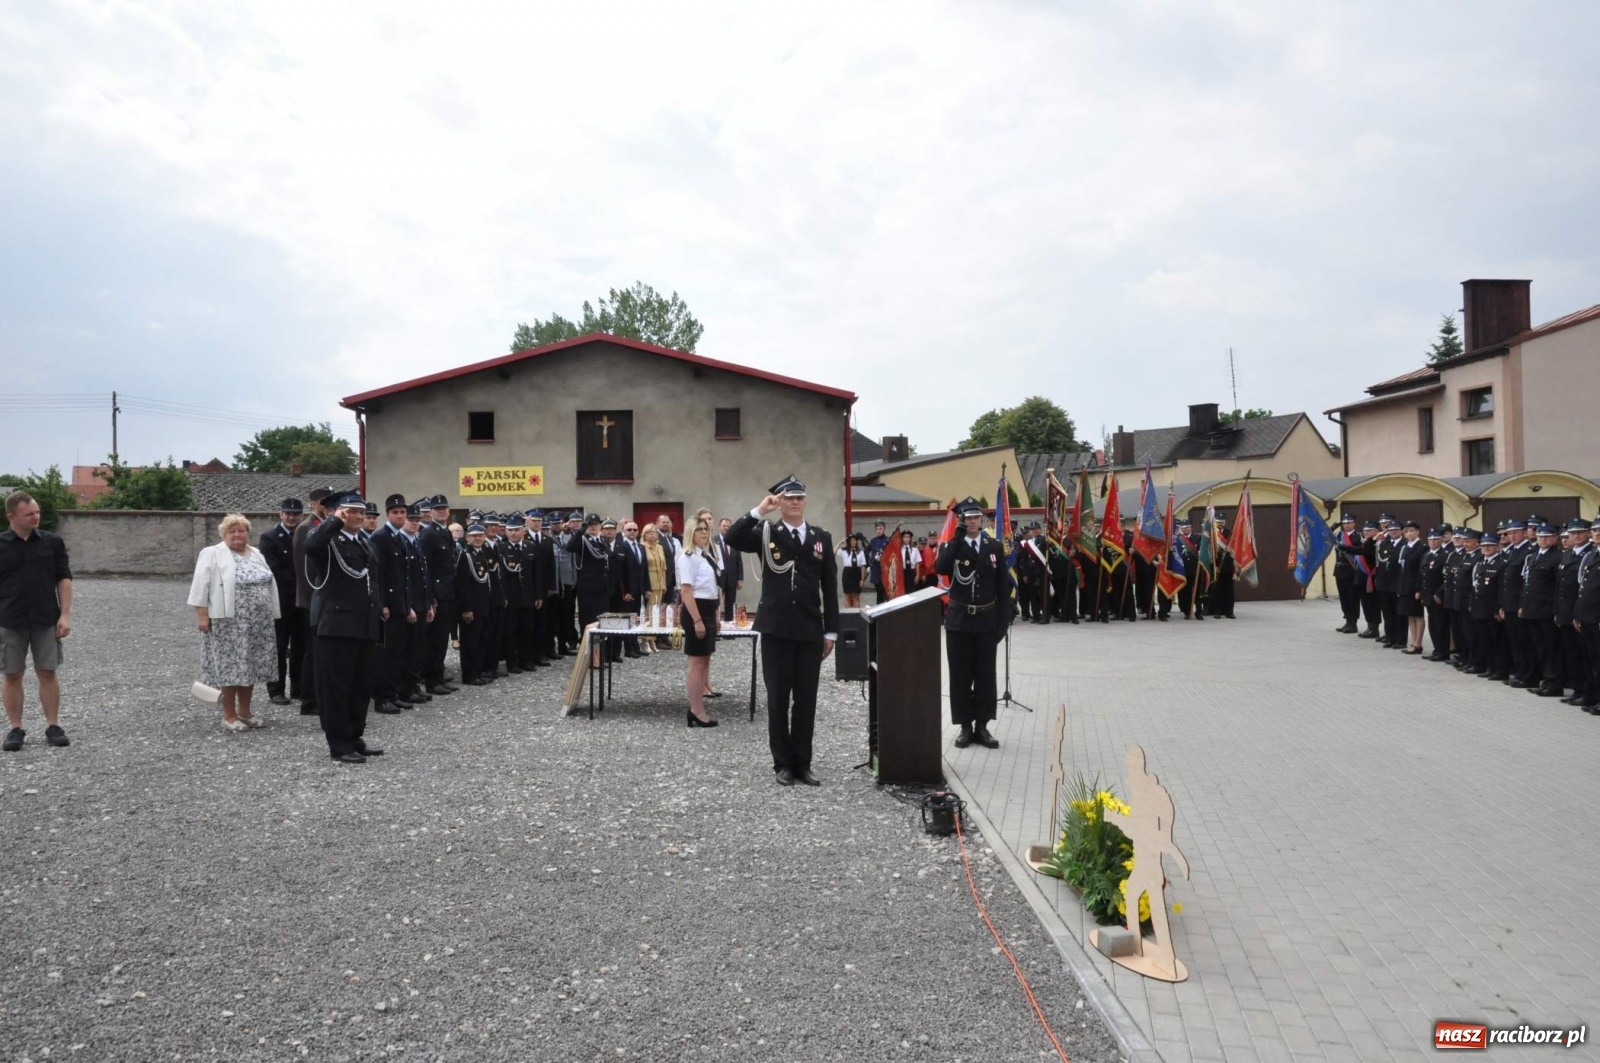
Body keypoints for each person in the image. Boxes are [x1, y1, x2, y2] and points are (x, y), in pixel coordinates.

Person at [725, 475, 839, 787]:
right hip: (776, 629)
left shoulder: (820, 537)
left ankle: (803, 763)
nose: (794, 502)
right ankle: (783, 764)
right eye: (788, 498)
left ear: (805, 501)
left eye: (799, 497)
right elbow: (732, 537)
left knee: (806, 700)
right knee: (777, 699)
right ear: (778, 501)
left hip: (809, 629)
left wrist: (831, 632)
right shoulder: (765, 533)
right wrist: (759, 510)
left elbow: (829, 586)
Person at [304, 491, 384, 764]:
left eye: (360, 512)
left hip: (364, 625)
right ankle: (338, 744)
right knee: (336, 687)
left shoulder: (364, 542)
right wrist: (334, 521)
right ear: (336, 513)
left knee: (360, 686)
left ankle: (354, 736)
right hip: (336, 625)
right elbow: (311, 546)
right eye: (350, 511)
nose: (358, 516)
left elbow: (373, 581)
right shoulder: (329, 540)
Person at [187, 513, 280, 731]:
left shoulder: (256, 553)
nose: (237, 534)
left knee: (251, 666)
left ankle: (245, 711)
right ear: (223, 534)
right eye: (232, 531)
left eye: (241, 530)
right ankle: (229, 715)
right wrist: (202, 616)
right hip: (228, 623)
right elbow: (200, 586)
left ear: (248, 533)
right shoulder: (212, 554)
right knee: (230, 668)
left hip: (258, 622)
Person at [1, 491, 74, 752]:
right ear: (11, 516)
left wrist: (65, 615)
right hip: (10, 621)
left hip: (46, 620)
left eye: (38, 512)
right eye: (29, 513)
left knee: (47, 672)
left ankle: (53, 725)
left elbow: (63, 579)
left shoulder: (52, 543)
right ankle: (15, 728)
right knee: (12, 675)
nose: (36, 517)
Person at [936, 498, 1009, 750]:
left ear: (982, 520)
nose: (972, 522)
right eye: (967, 518)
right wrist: (956, 539)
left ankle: (982, 726)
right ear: (961, 520)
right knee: (961, 676)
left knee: (986, 675)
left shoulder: (994, 546)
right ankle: (965, 727)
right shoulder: (952, 544)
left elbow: (1002, 584)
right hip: (960, 621)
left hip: (986, 619)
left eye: (976, 517)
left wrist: (1004, 620)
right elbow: (941, 567)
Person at [291, 486, 333, 716]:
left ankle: (319, 694)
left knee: (322, 651)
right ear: (313, 504)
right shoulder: (307, 528)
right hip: (313, 598)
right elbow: (304, 570)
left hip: (326, 599)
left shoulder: (325, 527)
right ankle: (308, 699)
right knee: (311, 651)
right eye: (323, 502)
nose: (327, 506)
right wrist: (311, 600)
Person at [678, 519, 723, 728]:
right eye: (699, 529)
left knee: (704, 660)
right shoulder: (688, 558)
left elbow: (712, 587)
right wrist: (697, 620)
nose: (704, 533)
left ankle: (698, 706)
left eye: (706, 529)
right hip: (696, 610)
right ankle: (696, 710)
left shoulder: (704, 556)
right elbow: (686, 591)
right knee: (696, 663)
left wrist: (714, 614)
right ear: (690, 532)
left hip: (707, 609)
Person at [259, 498, 304, 706]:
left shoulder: (305, 536)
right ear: (280, 514)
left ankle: (298, 688)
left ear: (301, 515)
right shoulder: (269, 538)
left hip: (302, 601)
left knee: (300, 647)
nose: (291, 517)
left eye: (295, 514)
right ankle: (276, 690)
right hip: (281, 600)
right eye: (288, 513)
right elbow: (274, 570)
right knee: (278, 646)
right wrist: (301, 584)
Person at [1396, 520, 1426, 653]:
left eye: (1412, 530)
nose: (1409, 533)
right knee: (1410, 615)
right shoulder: (1405, 547)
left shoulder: (1422, 547)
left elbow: (1421, 570)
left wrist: (1419, 589)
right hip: (1404, 587)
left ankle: (1418, 643)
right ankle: (1413, 642)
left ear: (1418, 532)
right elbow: (1401, 568)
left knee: (1418, 615)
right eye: (1407, 531)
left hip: (1414, 587)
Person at [640, 524, 669, 654]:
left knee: (656, 613)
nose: (652, 534)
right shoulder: (642, 547)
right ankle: (645, 639)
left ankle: (653, 638)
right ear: (644, 535)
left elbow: (664, 567)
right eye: (649, 532)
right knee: (648, 612)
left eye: (654, 532)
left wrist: (664, 583)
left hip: (659, 583)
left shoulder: (660, 548)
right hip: (649, 583)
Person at [717, 516, 744, 622]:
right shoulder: (714, 541)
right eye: (724, 526)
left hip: (732, 578)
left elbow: (739, 562)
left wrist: (740, 579)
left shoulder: (735, 542)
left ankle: (728, 623)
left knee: (730, 602)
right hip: (718, 578)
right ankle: (716, 624)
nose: (726, 528)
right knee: (716, 602)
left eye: (728, 526)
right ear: (719, 527)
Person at [837, 533, 869, 608]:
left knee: (856, 596)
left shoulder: (860, 552)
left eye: (854, 540)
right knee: (847, 595)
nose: (853, 542)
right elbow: (833, 552)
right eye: (851, 540)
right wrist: (840, 543)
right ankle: (848, 616)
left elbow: (862, 567)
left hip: (857, 573)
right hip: (847, 573)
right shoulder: (844, 551)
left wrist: (862, 579)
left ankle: (856, 615)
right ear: (848, 542)